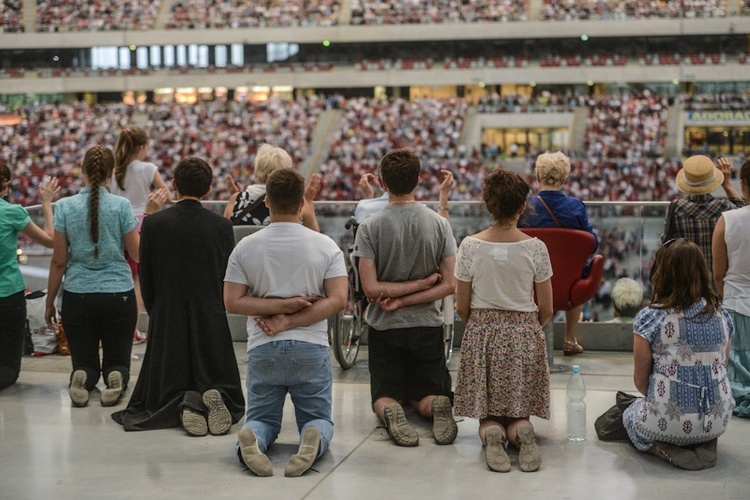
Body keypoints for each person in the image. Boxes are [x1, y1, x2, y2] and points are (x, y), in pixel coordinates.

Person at [224, 168, 347, 477]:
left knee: (263, 419)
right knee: (318, 417)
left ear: (267, 202)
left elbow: (232, 301)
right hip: (311, 347)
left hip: (263, 347)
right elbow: (337, 300)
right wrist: (289, 316)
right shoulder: (325, 245)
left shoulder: (245, 246)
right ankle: (313, 435)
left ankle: (252, 437)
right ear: (301, 203)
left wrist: (277, 314)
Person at [112, 157, 244, 435]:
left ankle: (183, 403)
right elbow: (226, 272)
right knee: (213, 370)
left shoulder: (155, 223)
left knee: (166, 381)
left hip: (168, 310)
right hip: (209, 309)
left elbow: (145, 272)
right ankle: (210, 396)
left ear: (173, 184)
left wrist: (156, 307)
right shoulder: (221, 226)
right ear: (208, 189)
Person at [352, 148, 457, 448]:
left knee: (385, 395)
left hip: (384, 328)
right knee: (427, 394)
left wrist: (397, 299)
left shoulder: (370, 227)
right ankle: (435, 405)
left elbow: (370, 289)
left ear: (383, 183)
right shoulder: (439, 224)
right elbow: (450, 284)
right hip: (427, 325)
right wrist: (421, 285)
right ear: (419, 180)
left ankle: (391, 411)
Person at [45, 146, 165, 408]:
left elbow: (58, 262)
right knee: (118, 361)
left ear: (82, 171)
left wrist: (49, 301)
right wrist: (151, 216)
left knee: (85, 362)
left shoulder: (64, 206)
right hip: (119, 296)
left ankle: (82, 377)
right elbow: (137, 254)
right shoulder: (121, 206)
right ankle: (116, 378)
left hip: (78, 296)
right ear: (111, 174)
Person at [454, 169, 553, 473]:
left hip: (483, 333)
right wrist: (526, 327)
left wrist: (481, 324)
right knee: (518, 410)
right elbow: (547, 307)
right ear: (523, 206)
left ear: (488, 204)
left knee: (490, 413)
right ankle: (522, 432)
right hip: (523, 333)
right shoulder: (535, 247)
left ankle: (491, 434)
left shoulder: (470, 246)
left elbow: (462, 305)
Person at [623, 239, 733, 470]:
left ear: (662, 272)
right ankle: (702, 441)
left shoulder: (650, 317)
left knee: (627, 414)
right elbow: (722, 366)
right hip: (718, 419)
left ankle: (660, 447)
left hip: (668, 421)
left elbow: (641, 382)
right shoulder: (723, 315)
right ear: (702, 271)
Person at [518, 151, 597, 356]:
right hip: (567, 286)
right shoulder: (575, 207)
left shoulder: (525, 208)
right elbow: (592, 244)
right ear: (564, 179)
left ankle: (533, 338)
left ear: (537, 177)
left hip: (529, 284)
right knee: (577, 272)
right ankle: (570, 338)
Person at [110, 127, 173, 344]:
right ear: (141, 147)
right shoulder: (147, 168)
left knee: (120, 277)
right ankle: (133, 329)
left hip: (117, 225)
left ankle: (116, 327)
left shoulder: (114, 169)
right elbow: (167, 195)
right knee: (137, 280)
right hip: (141, 224)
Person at [0, 164, 59, 389]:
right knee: (8, 369)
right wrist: (46, 203)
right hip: (8, 295)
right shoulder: (12, 212)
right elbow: (51, 240)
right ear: (6, 183)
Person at [662, 155, 745, 284]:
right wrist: (727, 183)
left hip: (686, 284)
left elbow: (666, 243)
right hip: (718, 283)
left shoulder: (675, 209)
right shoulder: (725, 208)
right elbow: (745, 211)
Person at [712, 158, 750, 417]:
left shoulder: (727, 220)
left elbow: (718, 274)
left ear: (744, 185)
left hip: (736, 304)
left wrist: (725, 300)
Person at [223, 143, 320, 231]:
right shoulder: (294, 202)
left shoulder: (236, 200)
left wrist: (238, 198)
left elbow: (226, 233)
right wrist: (309, 201)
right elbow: (315, 235)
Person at [355, 170, 454, 223]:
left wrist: (369, 197)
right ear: (416, 182)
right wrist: (444, 194)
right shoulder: (426, 216)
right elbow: (447, 239)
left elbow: (362, 247)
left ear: (382, 182)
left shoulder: (364, 207)